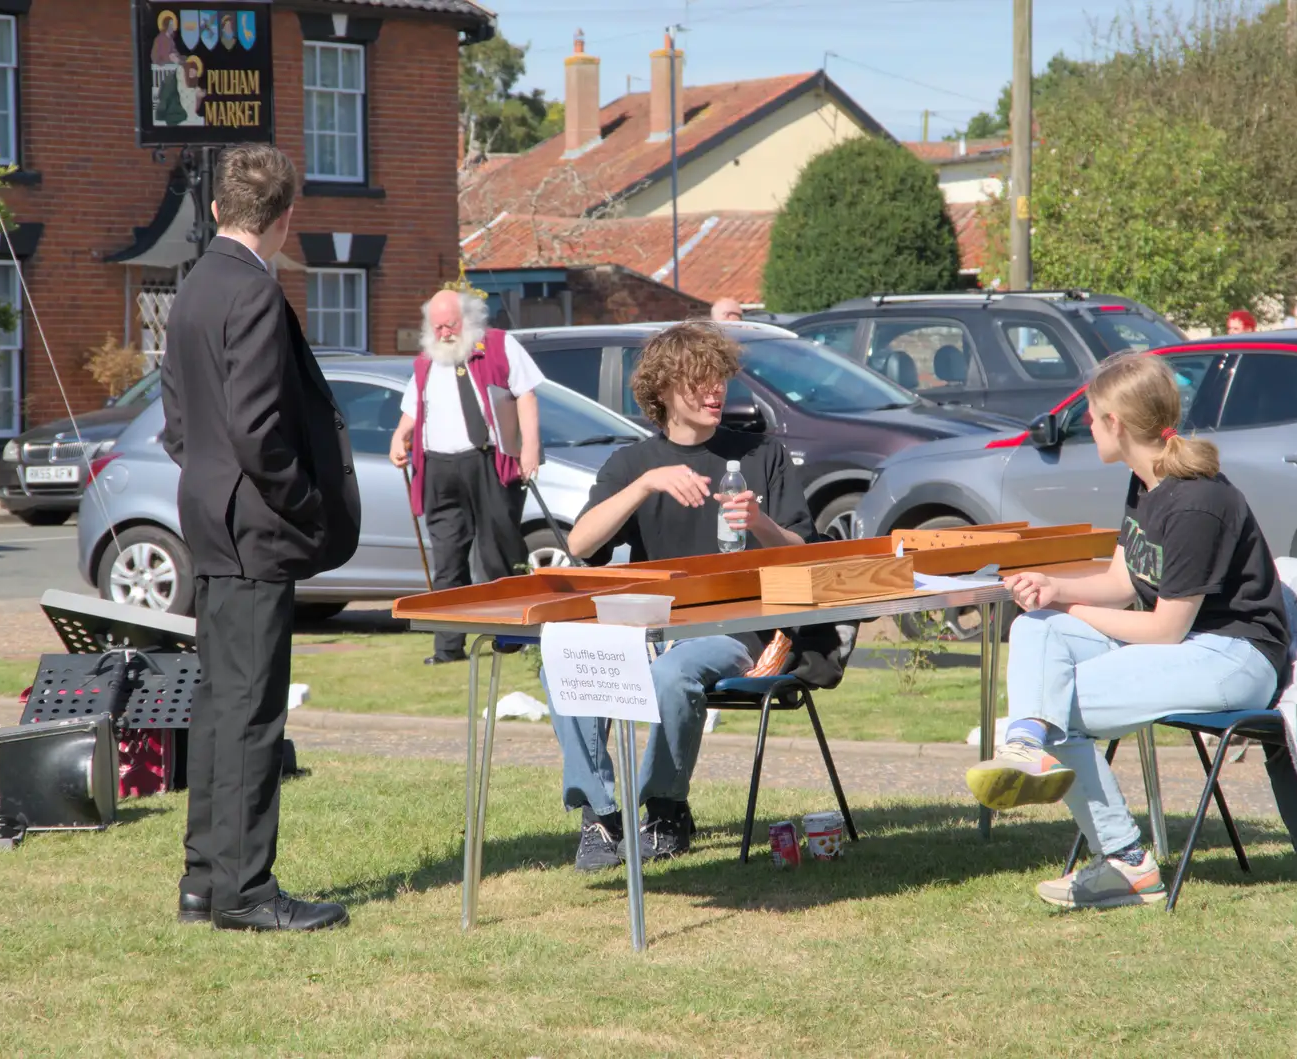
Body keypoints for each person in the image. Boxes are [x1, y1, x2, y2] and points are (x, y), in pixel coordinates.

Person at [964, 352, 1289, 910]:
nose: (1088, 428)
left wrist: (1073, 613)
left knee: (1055, 699)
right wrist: (1054, 590)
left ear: (1115, 422)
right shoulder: (1146, 483)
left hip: (1234, 658)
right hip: (1188, 646)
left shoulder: (1197, 501)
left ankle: (1126, 861)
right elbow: (1122, 580)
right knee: (1036, 627)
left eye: (1092, 418)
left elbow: (1165, 628)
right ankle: (1026, 744)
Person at [161, 144, 361, 932]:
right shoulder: (251, 291)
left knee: (217, 705)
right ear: (286, 218)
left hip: (210, 514)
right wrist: (302, 502)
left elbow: (181, 422)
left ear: (215, 209)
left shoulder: (194, 286)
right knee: (251, 711)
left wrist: (216, 480)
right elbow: (256, 427)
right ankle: (245, 890)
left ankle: (204, 880)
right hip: (252, 523)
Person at [550, 321, 815, 870]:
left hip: (741, 627)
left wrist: (760, 522)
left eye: (720, 379)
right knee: (566, 655)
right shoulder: (632, 465)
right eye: (699, 382)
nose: (715, 392)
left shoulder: (761, 454)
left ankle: (665, 808)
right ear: (664, 390)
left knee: (672, 673)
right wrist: (646, 485)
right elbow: (580, 544)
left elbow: (801, 552)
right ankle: (600, 816)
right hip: (654, 624)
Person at [389, 288, 543, 665]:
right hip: (439, 467)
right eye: (437, 326)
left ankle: (510, 637)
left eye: (450, 324)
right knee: (448, 557)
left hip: (487, 461)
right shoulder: (427, 363)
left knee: (497, 552)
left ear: (468, 319)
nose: (444, 333)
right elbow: (415, 405)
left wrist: (530, 447)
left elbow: (526, 395)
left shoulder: (500, 345)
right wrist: (399, 435)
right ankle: (447, 647)